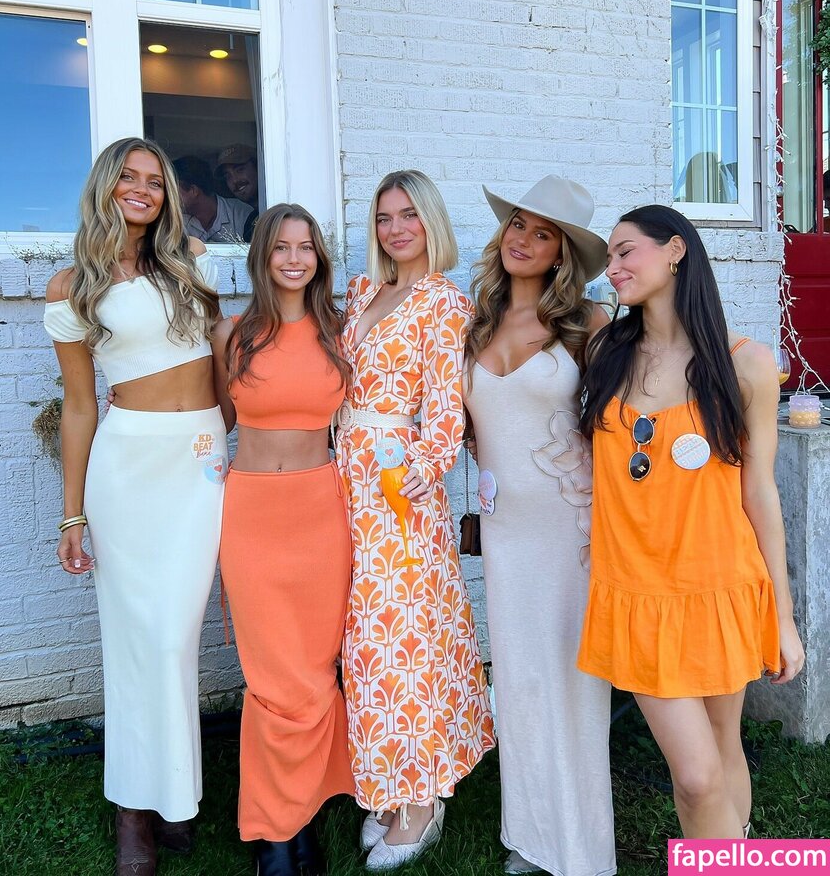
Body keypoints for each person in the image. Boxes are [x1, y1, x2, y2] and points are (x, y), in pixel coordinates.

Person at [578, 205, 805, 839]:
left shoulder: (746, 364)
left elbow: (760, 492)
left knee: (724, 752)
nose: (613, 268)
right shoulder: (605, 350)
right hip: (637, 592)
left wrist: (783, 618)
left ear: (676, 250)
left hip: (721, 585)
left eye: (626, 251)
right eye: (609, 257)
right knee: (698, 776)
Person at [43, 137, 226, 876]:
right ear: (105, 187)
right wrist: (72, 514)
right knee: (133, 638)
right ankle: (136, 811)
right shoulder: (70, 287)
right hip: (127, 469)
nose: (143, 190)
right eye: (129, 178)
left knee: (174, 637)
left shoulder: (192, 262)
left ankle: (174, 792)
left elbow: (222, 358)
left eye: (155, 180)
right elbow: (79, 407)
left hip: (199, 461)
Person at [336, 170, 496, 871]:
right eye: (384, 217)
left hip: (399, 494)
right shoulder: (362, 293)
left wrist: (412, 480)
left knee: (407, 640)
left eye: (409, 215)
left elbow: (445, 415)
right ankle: (388, 778)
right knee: (367, 644)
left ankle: (423, 797)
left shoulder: (443, 303)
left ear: (431, 221)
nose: (396, 228)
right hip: (345, 484)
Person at [463, 176, 616, 876]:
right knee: (519, 679)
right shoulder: (477, 320)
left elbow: (622, 421)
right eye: (517, 224)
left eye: (542, 232)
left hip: (570, 525)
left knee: (573, 682)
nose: (521, 239)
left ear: (563, 253)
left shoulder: (589, 322)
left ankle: (580, 849)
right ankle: (528, 836)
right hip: (505, 531)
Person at [212, 204, 354, 876]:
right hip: (252, 515)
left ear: (318, 258)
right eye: (282, 248)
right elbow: (213, 420)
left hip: (321, 514)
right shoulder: (233, 334)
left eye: (306, 247)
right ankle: (275, 833)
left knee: (314, 669)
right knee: (271, 675)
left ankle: (300, 813)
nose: (295, 259)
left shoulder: (341, 331)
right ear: (262, 257)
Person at [174, 156, 255, 243]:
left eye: (172, 191)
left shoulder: (242, 214)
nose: (169, 197)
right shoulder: (176, 221)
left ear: (193, 190)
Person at [217, 143, 259, 209]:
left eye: (240, 170)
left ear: (257, 167)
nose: (234, 180)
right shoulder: (233, 212)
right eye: (227, 176)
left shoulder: (274, 201)